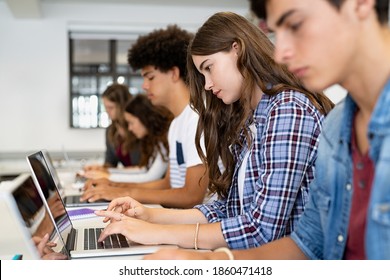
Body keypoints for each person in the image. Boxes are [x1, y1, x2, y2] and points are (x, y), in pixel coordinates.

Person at [144, 0, 390, 260]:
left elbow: (263, 229)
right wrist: (207, 260)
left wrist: (164, 234)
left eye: (294, 24)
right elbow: (308, 243)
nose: (281, 51)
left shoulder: (290, 107)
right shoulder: (338, 124)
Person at [94, 11, 333, 251]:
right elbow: (228, 209)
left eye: (209, 68)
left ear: (237, 49)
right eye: (202, 74)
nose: (207, 84)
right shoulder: (251, 118)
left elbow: (261, 230)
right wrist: (149, 216)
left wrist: (155, 232)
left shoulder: (288, 109)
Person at [81, 25, 209, 208]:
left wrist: (122, 192)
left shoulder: (197, 119)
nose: (144, 86)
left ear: (174, 73)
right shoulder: (177, 124)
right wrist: (114, 186)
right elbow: (168, 184)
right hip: (178, 217)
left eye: (150, 77)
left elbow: (191, 196)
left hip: (196, 227)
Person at [82, 94, 173, 183]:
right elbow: (143, 170)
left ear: (144, 118)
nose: (130, 128)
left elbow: (151, 177)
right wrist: (107, 172)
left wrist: (108, 176)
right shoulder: (156, 139)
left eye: (131, 123)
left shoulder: (165, 138)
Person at [83, 83, 141, 172]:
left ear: (123, 105)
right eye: (105, 107)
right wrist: (99, 168)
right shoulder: (110, 131)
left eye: (111, 107)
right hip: (127, 180)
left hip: (142, 180)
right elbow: (111, 162)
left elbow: (144, 169)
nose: (107, 111)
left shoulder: (139, 128)